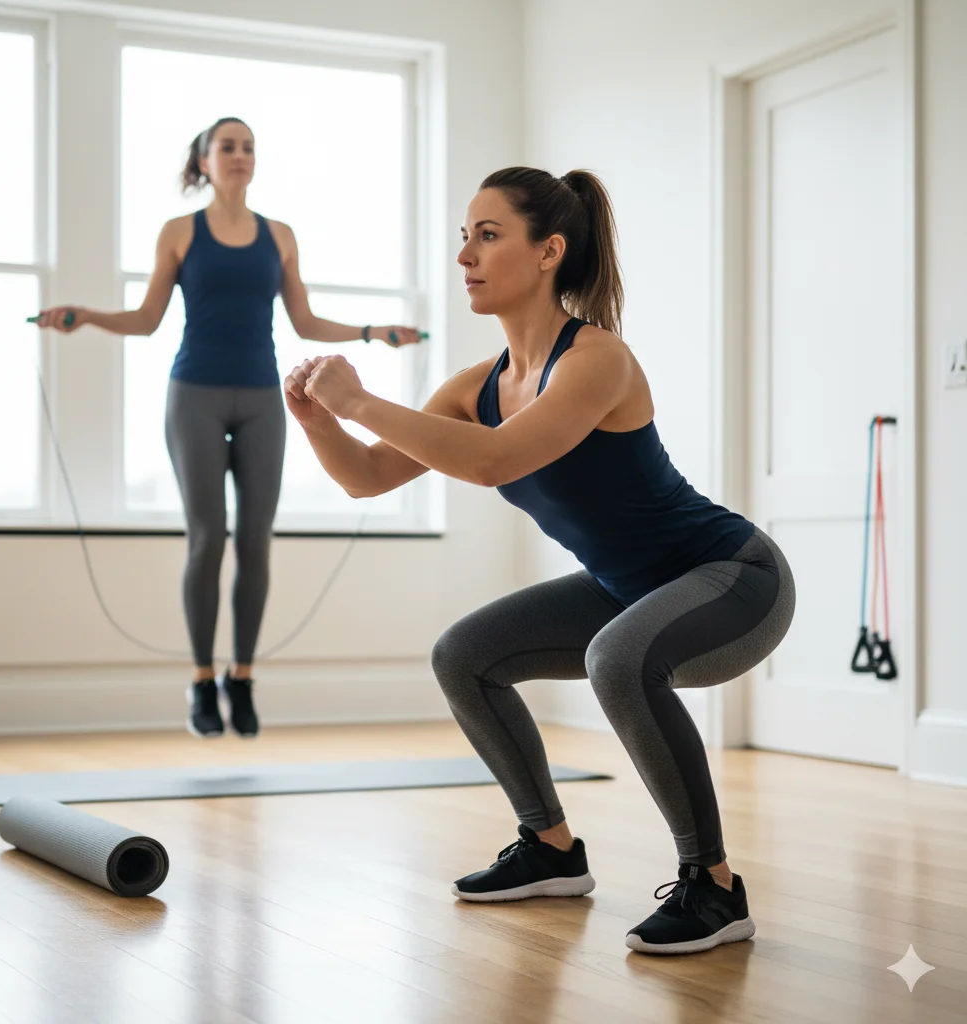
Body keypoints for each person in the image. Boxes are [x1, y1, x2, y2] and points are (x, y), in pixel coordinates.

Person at [282, 165, 796, 955]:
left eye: (488, 236)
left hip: (735, 578)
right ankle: (550, 847)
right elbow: (369, 477)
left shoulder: (597, 359)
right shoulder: (473, 387)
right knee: (466, 655)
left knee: (617, 659)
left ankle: (715, 887)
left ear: (550, 250)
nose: (465, 257)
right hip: (625, 590)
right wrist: (320, 421)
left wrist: (359, 401)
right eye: (464, 237)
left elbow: (494, 462)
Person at [33, 116, 422, 740]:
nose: (239, 155)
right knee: (207, 537)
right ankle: (200, 681)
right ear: (204, 162)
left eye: (247, 147)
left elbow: (305, 320)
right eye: (227, 147)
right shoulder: (180, 233)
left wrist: (372, 333)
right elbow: (145, 319)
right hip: (195, 396)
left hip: (265, 399)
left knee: (256, 541)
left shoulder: (281, 236)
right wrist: (84, 316)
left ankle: (241, 678)